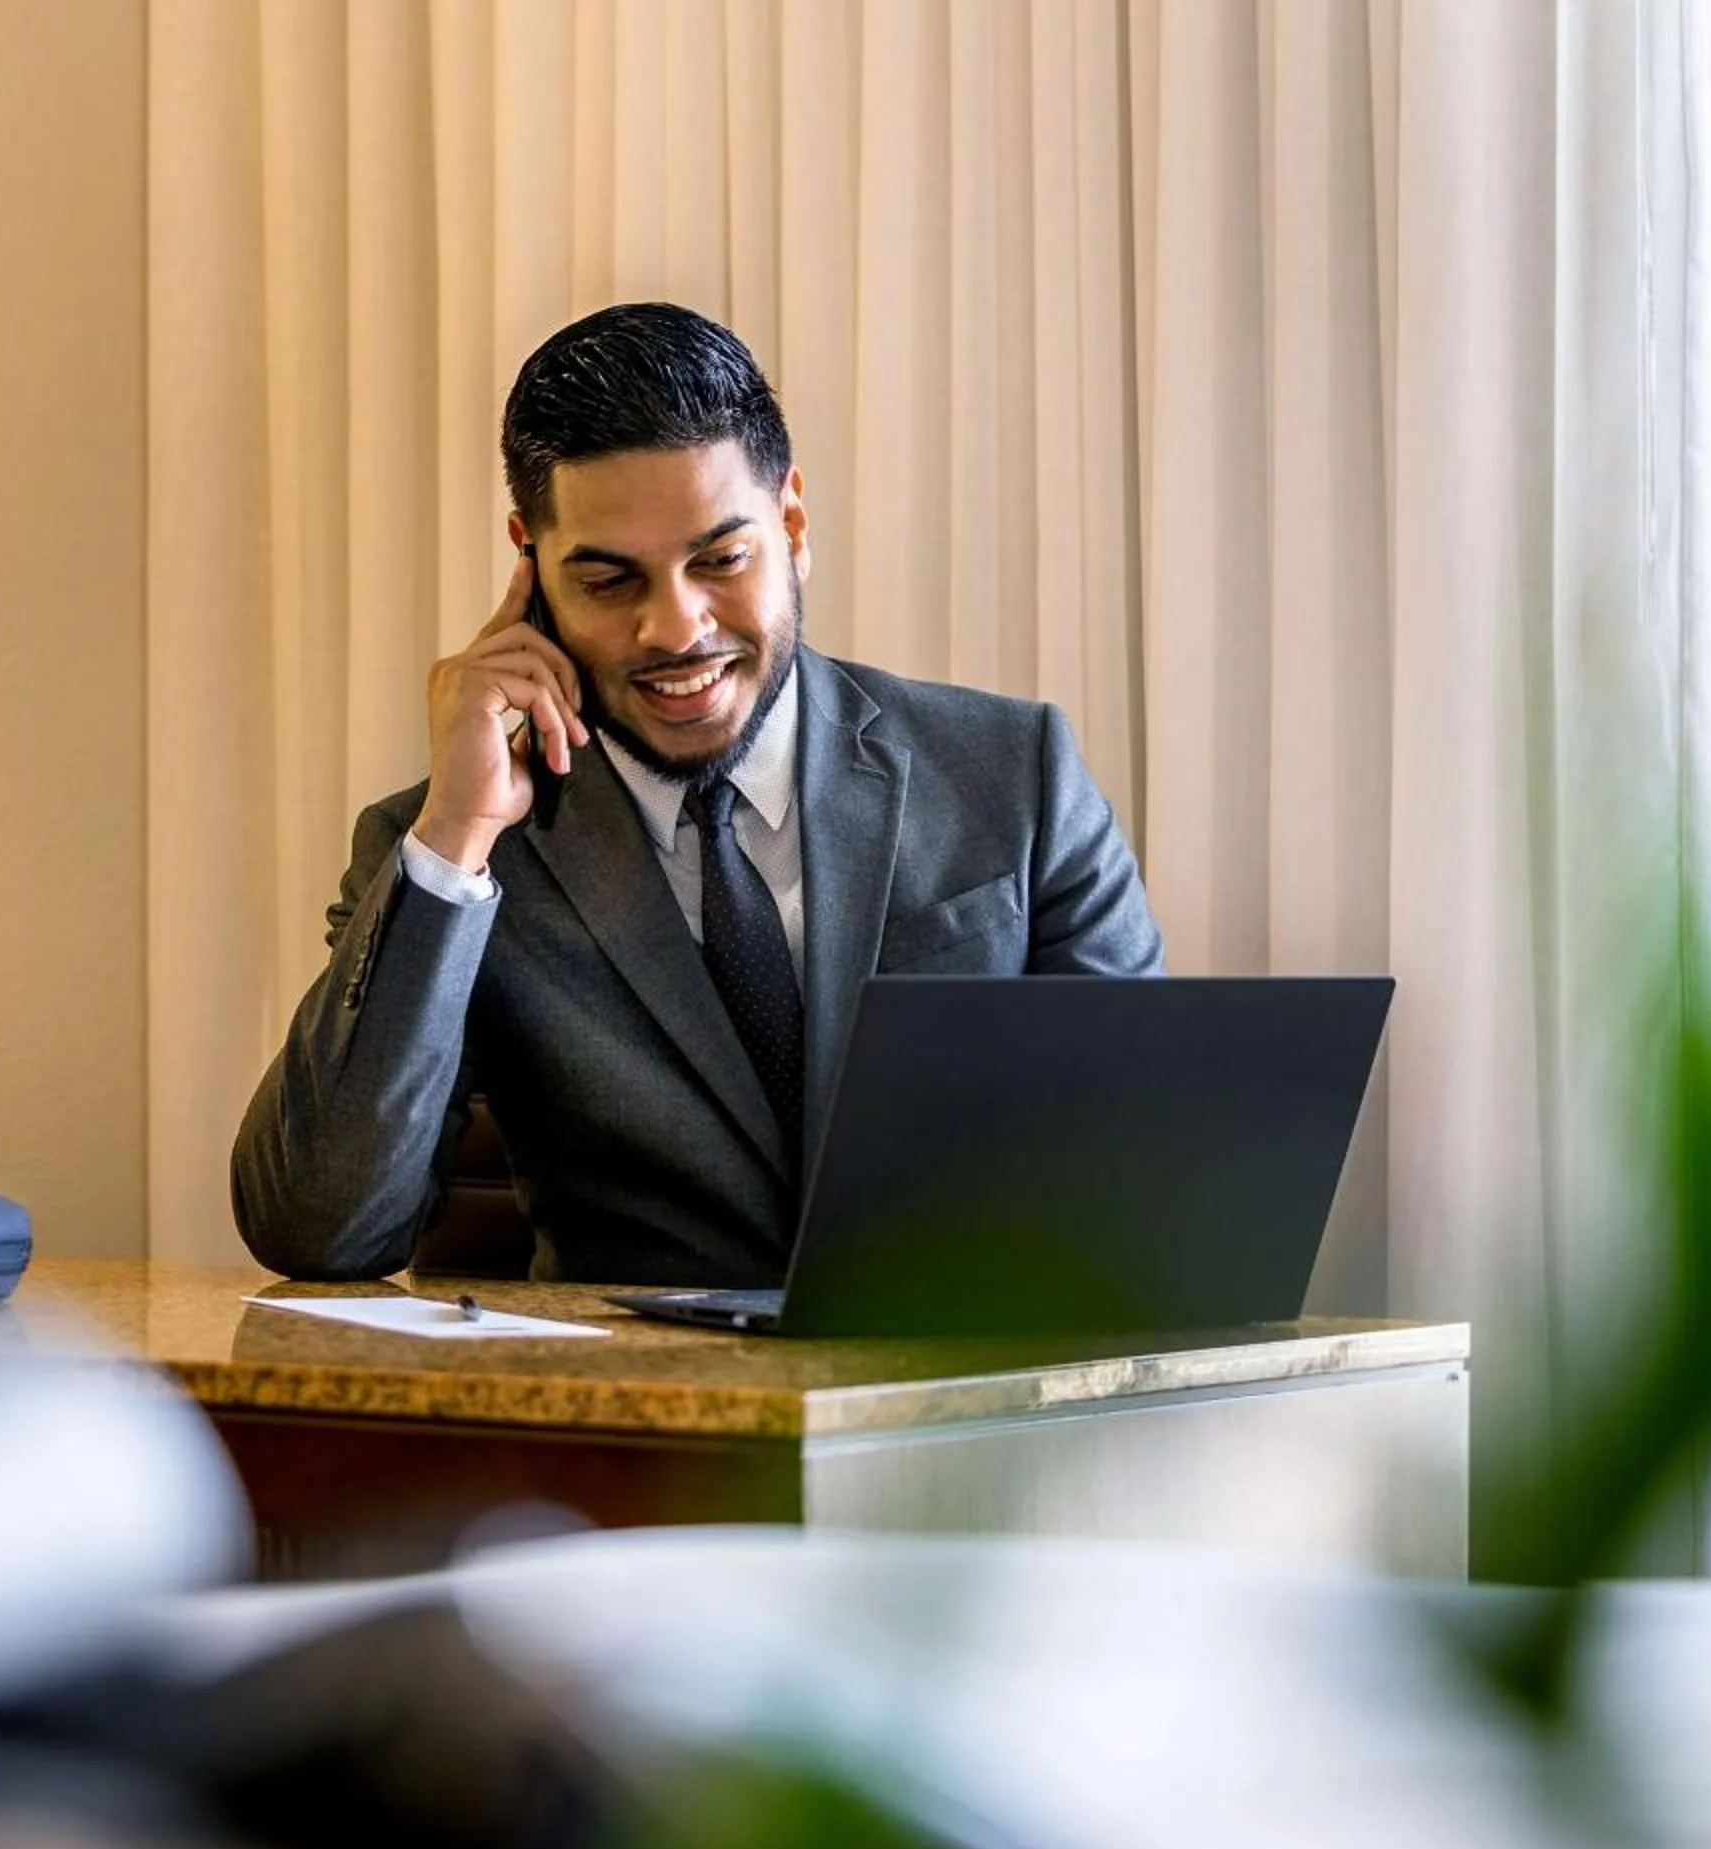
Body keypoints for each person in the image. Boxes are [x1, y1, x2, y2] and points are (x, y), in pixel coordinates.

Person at [232, 302, 1162, 1284]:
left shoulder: (1014, 775)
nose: (675, 629)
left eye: (721, 560)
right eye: (607, 580)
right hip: (646, 1421)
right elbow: (317, 1227)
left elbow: (1160, 1160)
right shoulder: (445, 848)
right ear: (531, 565)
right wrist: (455, 838)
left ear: (793, 522)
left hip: (978, 1401)